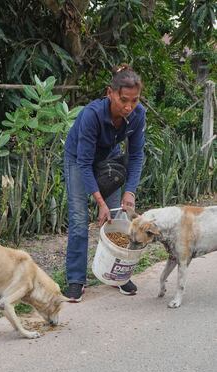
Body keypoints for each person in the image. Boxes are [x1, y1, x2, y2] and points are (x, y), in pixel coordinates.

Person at [63, 64, 146, 302]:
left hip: (108, 157)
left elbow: (137, 155)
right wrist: (99, 201)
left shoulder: (137, 115)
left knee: (117, 218)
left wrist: (129, 191)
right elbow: (85, 162)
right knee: (79, 218)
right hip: (78, 158)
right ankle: (76, 279)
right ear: (111, 93)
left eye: (135, 100)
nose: (129, 107)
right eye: (123, 100)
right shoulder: (92, 115)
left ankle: (117, 275)